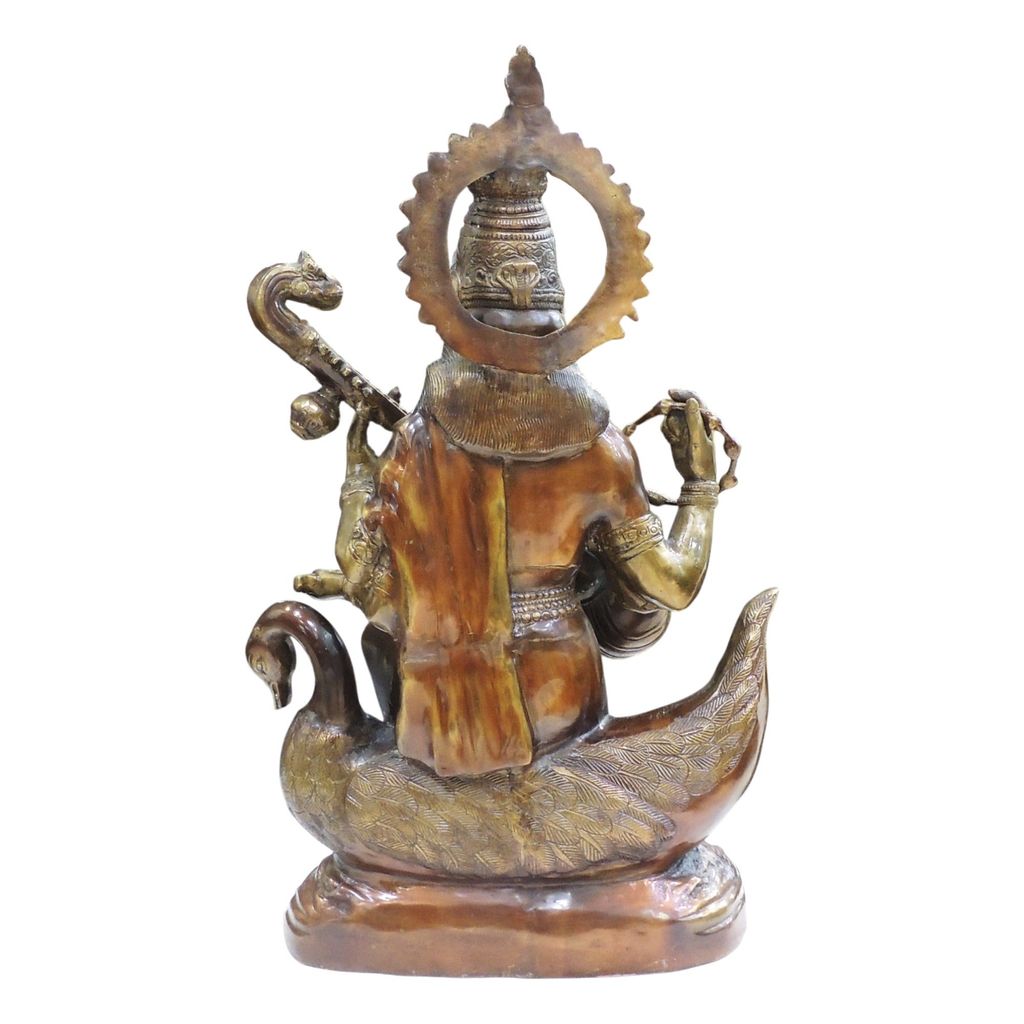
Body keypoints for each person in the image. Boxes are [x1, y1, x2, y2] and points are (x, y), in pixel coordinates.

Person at [295, 166, 719, 777]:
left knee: (382, 642)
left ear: (455, 307)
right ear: (562, 316)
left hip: (438, 708)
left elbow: (362, 574)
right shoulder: (600, 452)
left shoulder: (419, 441)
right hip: (561, 699)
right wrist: (699, 488)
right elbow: (673, 585)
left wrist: (358, 480)